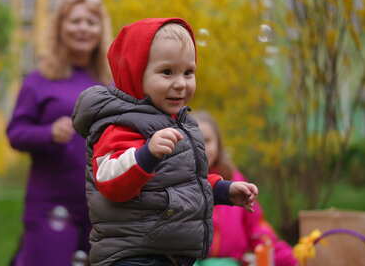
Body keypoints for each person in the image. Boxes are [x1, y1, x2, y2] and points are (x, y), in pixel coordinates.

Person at [72, 18, 259, 266]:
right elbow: (108, 179)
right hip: (132, 255)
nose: (180, 83)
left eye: (188, 72)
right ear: (135, 74)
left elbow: (182, 182)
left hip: (167, 254)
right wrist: (145, 155)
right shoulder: (121, 124)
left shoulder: (181, 124)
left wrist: (223, 190)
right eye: (167, 72)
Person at [6, 0, 112, 266]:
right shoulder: (39, 81)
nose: (83, 28)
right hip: (50, 203)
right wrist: (48, 134)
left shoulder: (111, 83)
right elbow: (15, 133)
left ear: (101, 31)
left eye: (91, 22)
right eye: (75, 21)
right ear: (60, 27)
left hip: (103, 207)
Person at [193, 111, 298, 266]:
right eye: (194, 141)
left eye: (207, 140)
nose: (201, 147)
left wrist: (290, 259)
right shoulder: (174, 181)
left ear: (218, 144)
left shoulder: (234, 181)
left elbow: (257, 228)